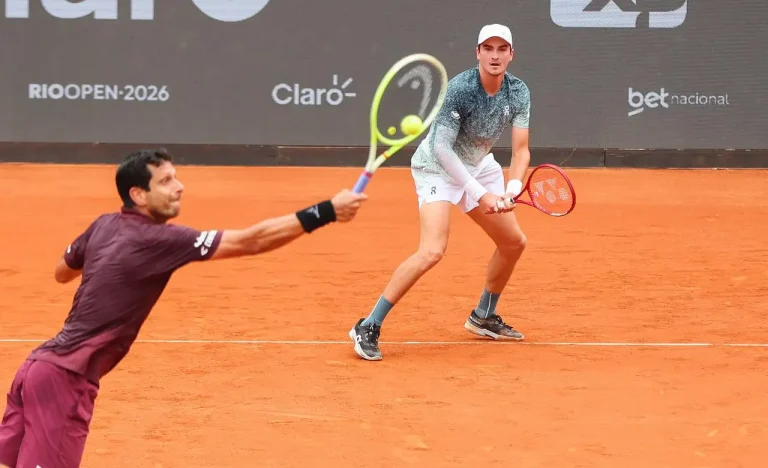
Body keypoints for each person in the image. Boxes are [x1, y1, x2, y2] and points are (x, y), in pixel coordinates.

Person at [0, 148, 367, 468]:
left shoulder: (105, 224)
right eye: (166, 181)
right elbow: (251, 241)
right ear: (138, 195)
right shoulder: (160, 239)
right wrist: (327, 211)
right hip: (65, 382)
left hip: (34, 371)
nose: (180, 186)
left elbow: (62, 272)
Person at [349, 24, 532, 361]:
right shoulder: (460, 89)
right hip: (437, 167)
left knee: (513, 242)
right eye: (488, 48)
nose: (494, 55)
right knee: (432, 250)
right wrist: (480, 193)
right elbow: (444, 150)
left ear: (511, 54)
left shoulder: (518, 91)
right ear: (477, 53)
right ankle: (368, 324)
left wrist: (511, 188)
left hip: (478, 164)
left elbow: (521, 151)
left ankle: (483, 316)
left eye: (501, 49)